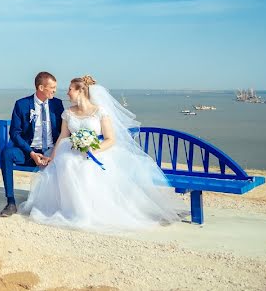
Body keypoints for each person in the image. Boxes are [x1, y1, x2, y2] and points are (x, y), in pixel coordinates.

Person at [20, 75, 184, 231]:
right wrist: (53, 156)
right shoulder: (68, 113)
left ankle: (89, 210)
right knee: (67, 163)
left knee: (86, 167)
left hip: (98, 151)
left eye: (70, 89)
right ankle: (73, 210)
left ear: (80, 91)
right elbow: (63, 136)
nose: (67, 92)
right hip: (71, 149)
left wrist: (93, 148)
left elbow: (110, 139)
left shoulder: (100, 111)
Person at [0, 71, 65, 217]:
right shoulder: (22, 104)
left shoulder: (57, 104)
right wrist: (31, 153)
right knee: (6, 153)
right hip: (29, 152)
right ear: (41, 88)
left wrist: (53, 153)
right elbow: (14, 133)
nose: (55, 90)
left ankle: (63, 204)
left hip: (52, 152)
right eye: (52, 87)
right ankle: (10, 202)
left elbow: (63, 132)